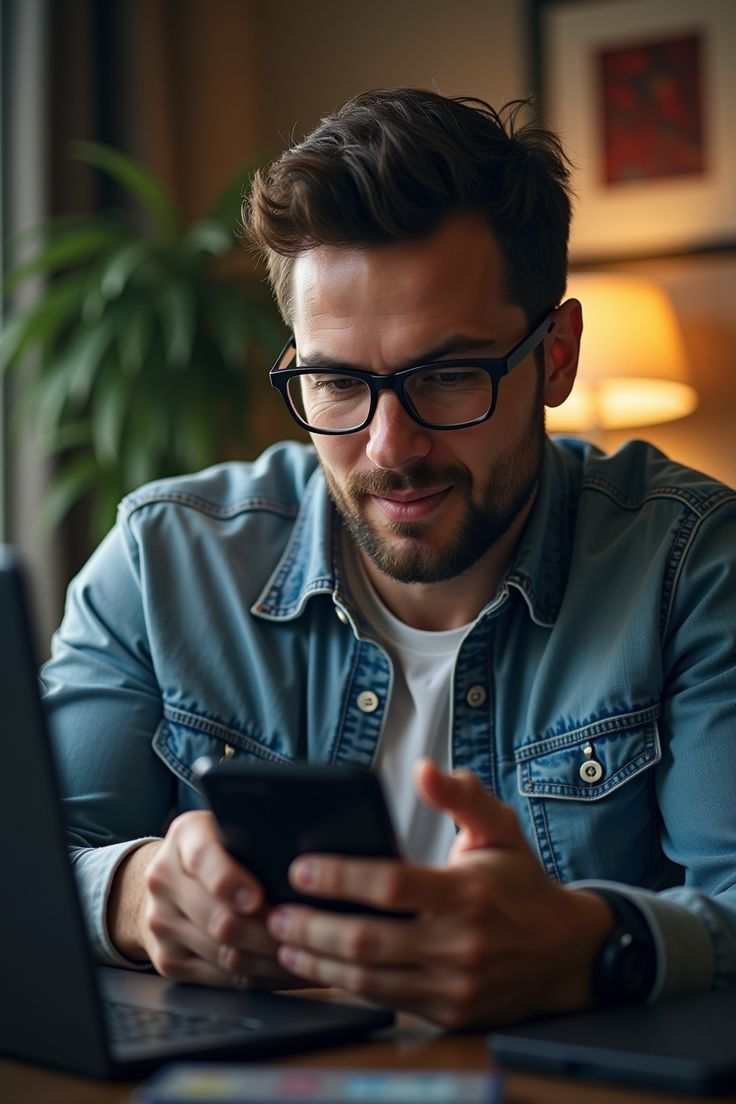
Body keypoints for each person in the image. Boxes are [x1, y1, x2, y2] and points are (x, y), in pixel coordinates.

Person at [42, 88, 736, 1030]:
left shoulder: (691, 566)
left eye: (449, 374)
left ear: (558, 354)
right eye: (337, 382)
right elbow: (30, 864)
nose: (388, 449)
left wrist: (597, 943)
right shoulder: (165, 560)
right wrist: (131, 895)